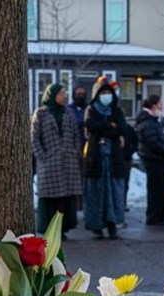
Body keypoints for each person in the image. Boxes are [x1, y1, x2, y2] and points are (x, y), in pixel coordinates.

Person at [30, 82, 82, 235]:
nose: (64, 96)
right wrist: (42, 156)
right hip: (49, 162)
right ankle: (47, 228)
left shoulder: (68, 113)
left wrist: (75, 152)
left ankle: (64, 227)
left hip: (67, 161)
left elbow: (76, 135)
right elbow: (34, 137)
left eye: (65, 93)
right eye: (61, 93)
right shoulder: (41, 114)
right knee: (49, 196)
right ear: (52, 95)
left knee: (65, 196)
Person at [82, 76, 127, 239]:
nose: (106, 95)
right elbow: (90, 126)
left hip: (113, 157)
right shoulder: (91, 109)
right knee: (96, 193)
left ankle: (112, 224)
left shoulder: (117, 111)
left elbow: (121, 128)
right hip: (96, 157)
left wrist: (106, 130)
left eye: (108, 92)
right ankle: (97, 226)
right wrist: (108, 125)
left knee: (114, 193)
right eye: (103, 92)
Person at [136, 94, 164, 226]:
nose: (162, 107)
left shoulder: (151, 121)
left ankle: (159, 215)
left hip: (157, 159)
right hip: (153, 160)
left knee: (161, 188)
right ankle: (154, 216)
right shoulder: (148, 122)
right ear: (153, 106)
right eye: (160, 104)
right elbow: (154, 143)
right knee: (156, 190)